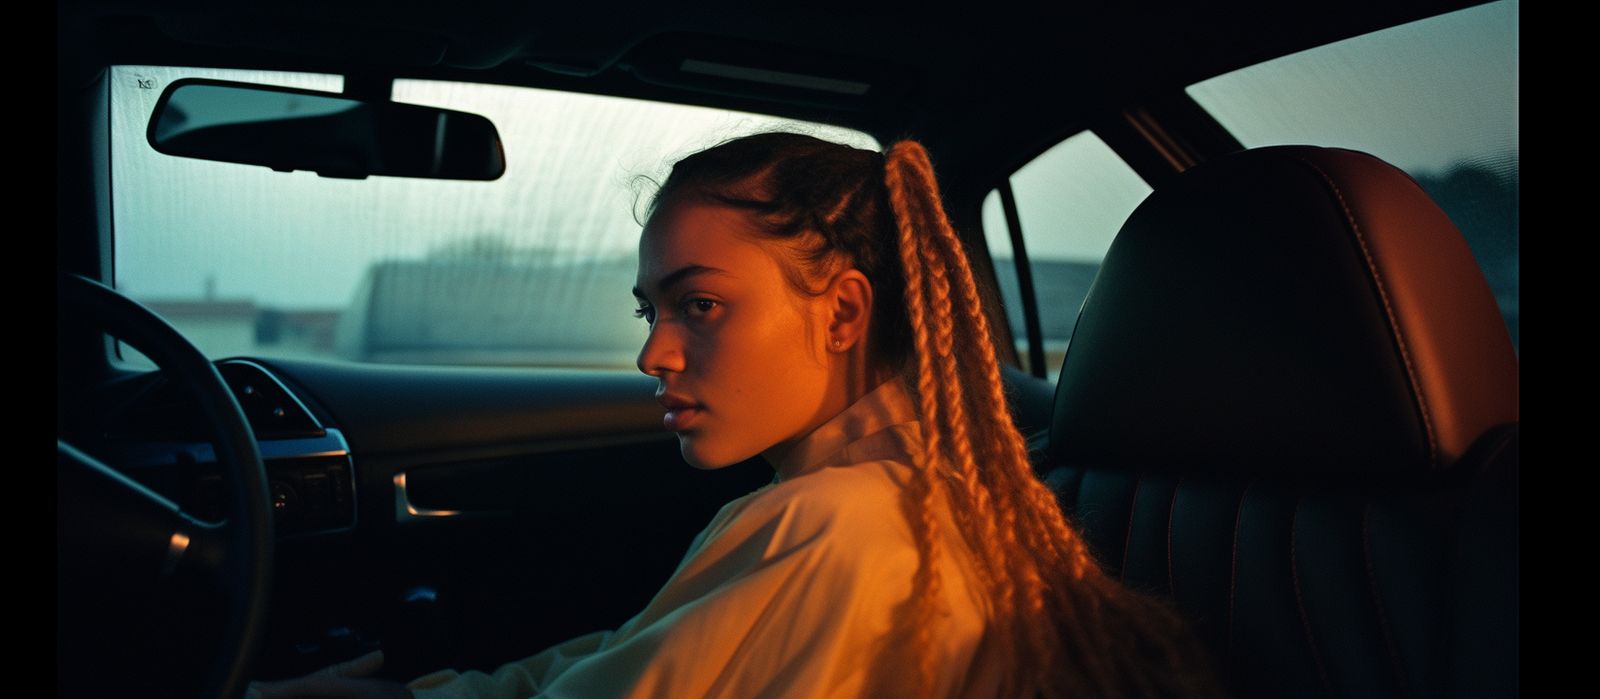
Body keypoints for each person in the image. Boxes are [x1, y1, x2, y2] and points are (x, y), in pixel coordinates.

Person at [252, 133, 1224, 698]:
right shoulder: (933, 510)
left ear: (842, 312)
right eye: (650, 311)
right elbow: (624, 660)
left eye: (699, 305)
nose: (653, 353)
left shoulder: (837, 527)